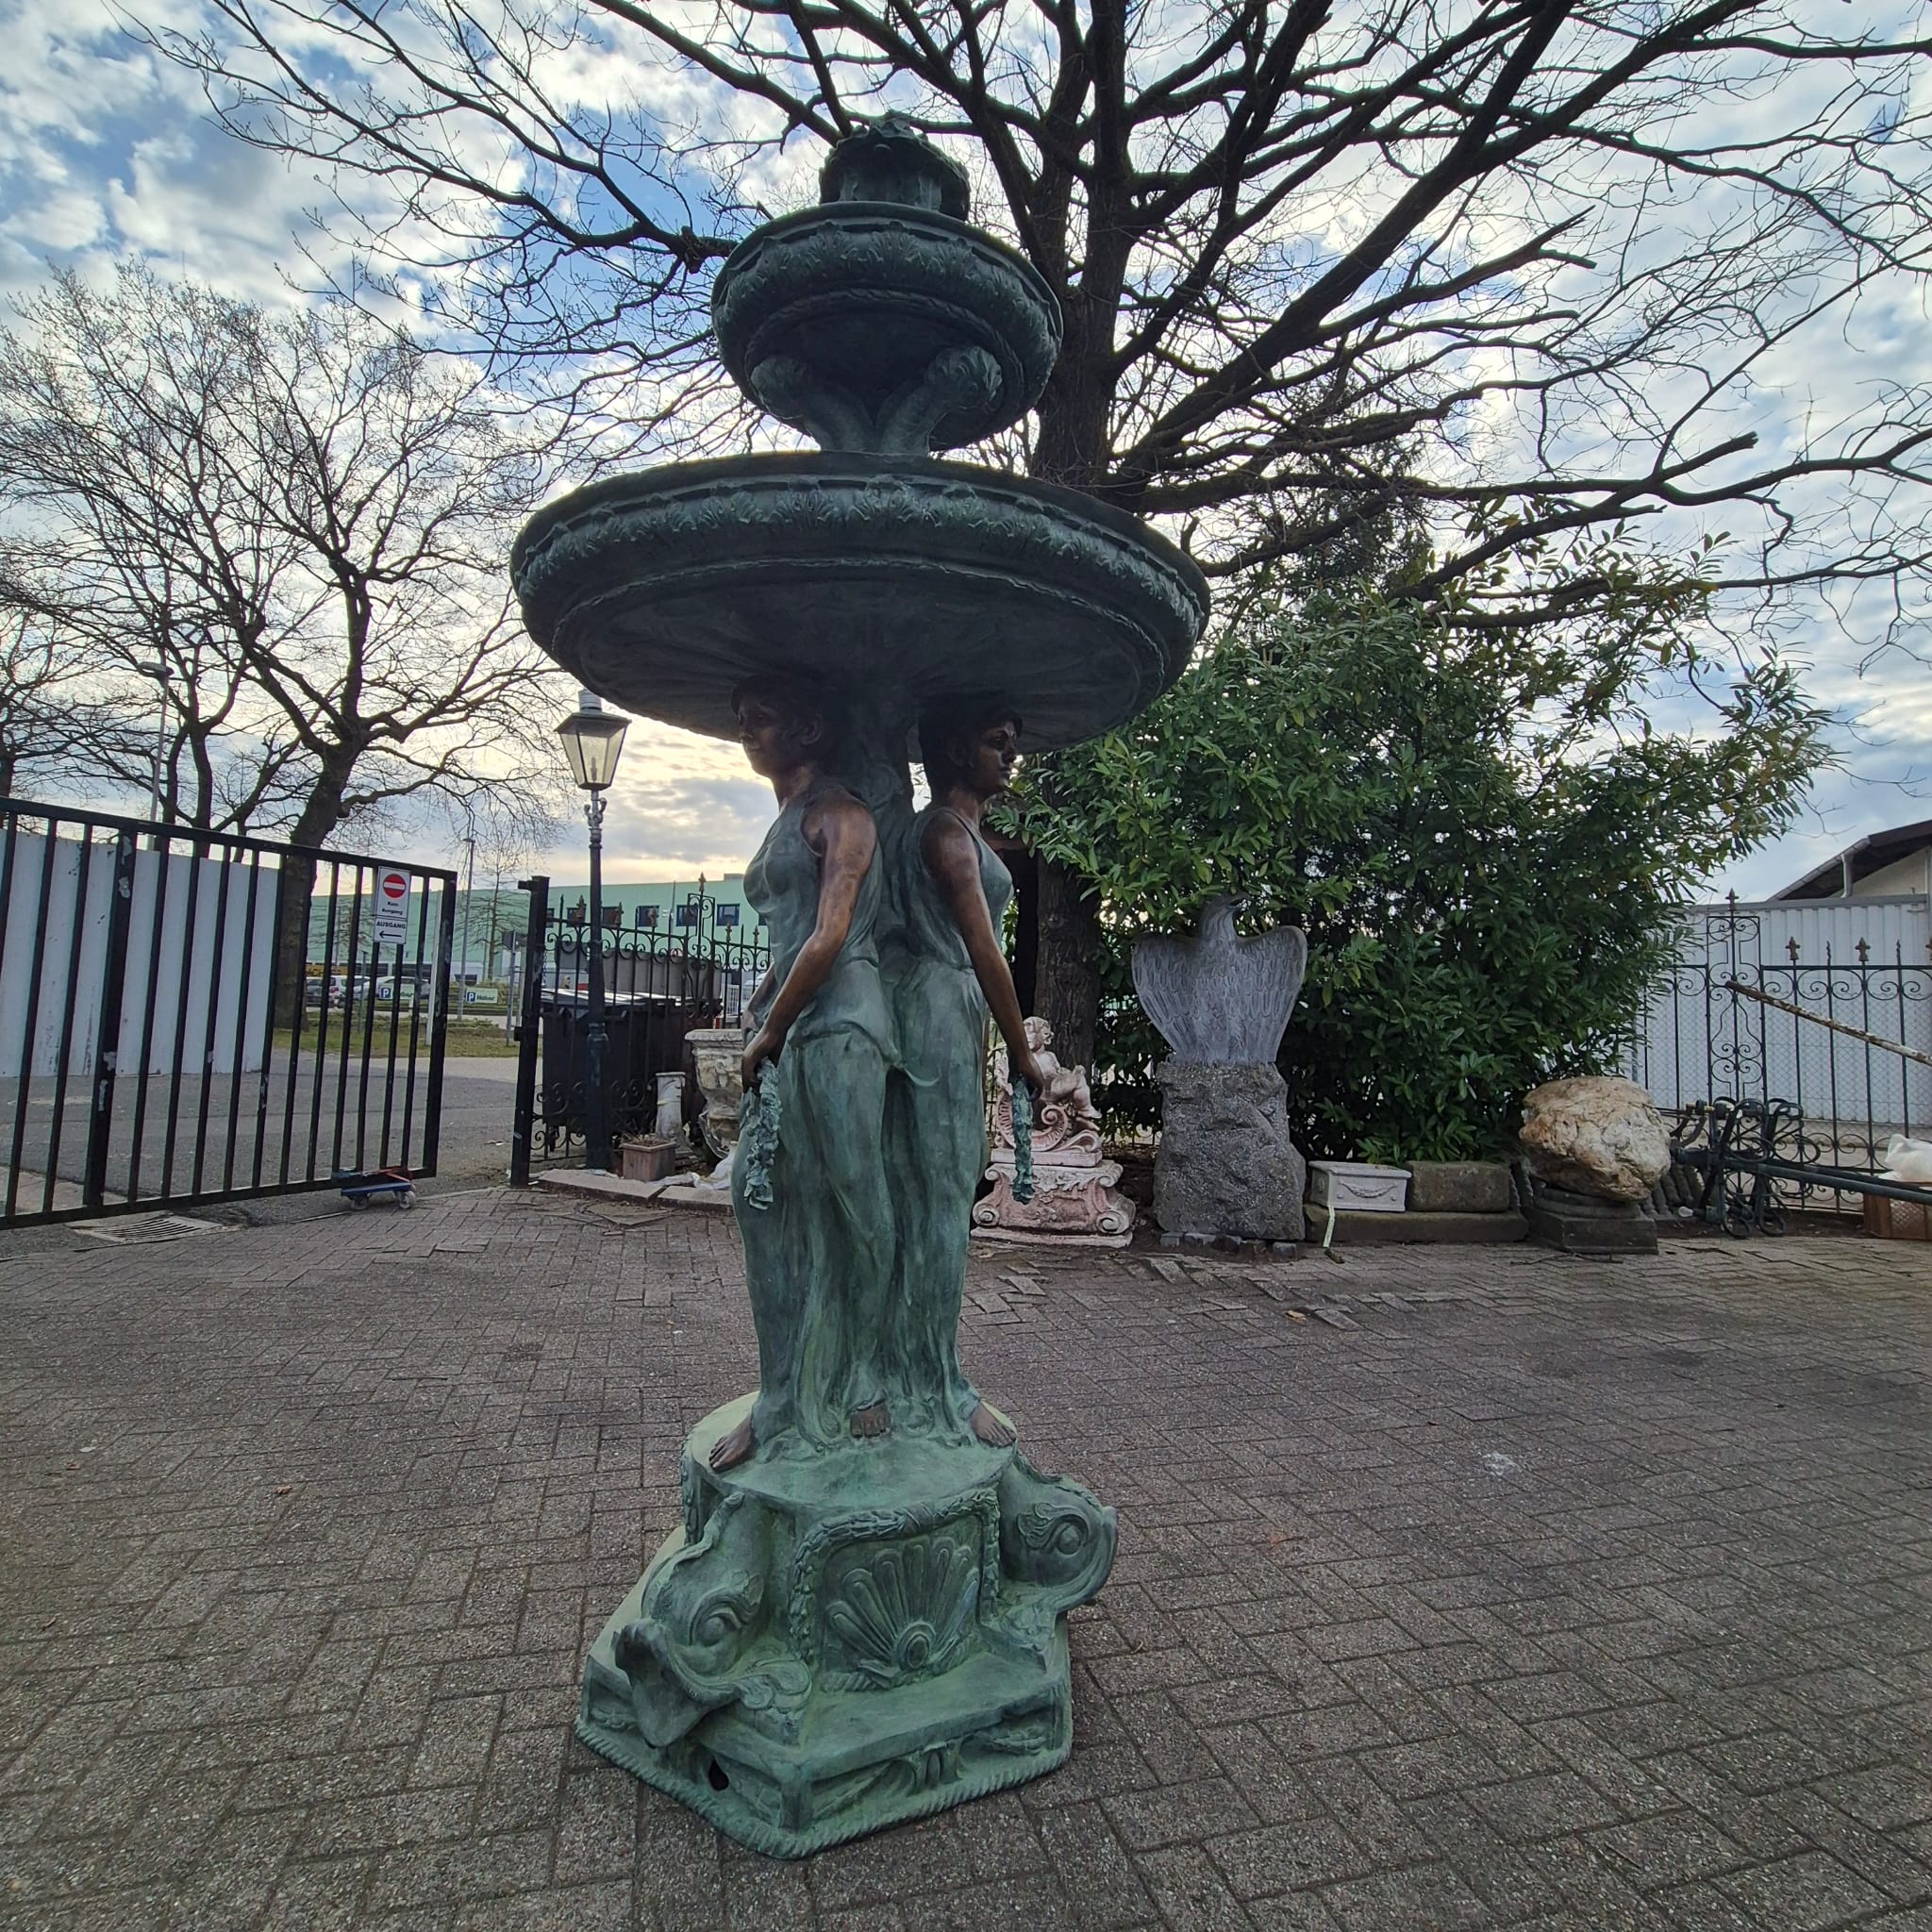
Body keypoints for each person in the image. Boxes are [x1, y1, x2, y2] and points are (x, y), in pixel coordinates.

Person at [711, 675, 896, 1472]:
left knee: (858, 1196)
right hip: (792, 1021)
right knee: (765, 1204)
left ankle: (869, 1371)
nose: (748, 730)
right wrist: (758, 1008)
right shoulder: (786, 819)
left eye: (766, 717)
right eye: (742, 719)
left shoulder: (843, 815)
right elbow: (790, 943)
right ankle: (782, 1388)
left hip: (845, 1018)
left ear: (812, 726)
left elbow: (829, 935)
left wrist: (774, 1028)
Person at [884, 699, 1051, 1447]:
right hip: (939, 1011)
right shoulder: (948, 836)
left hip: (945, 1012)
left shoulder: (964, 831)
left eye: (1012, 742)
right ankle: (934, 1384)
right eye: (995, 741)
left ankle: (919, 1370)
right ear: (954, 749)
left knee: (941, 1201)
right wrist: (1022, 1047)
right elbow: (988, 951)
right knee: (937, 1207)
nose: (1010, 754)